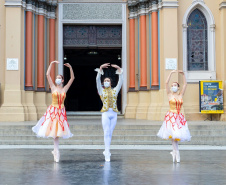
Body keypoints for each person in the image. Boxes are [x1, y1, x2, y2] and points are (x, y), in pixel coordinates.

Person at [32, 61, 74, 162]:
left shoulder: (64, 89)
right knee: (54, 133)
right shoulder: (53, 87)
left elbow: (72, 79)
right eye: (57, 78)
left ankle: (56, 151)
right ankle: (56, 151)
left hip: (61, 112)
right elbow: (47, 75)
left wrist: (70, 68)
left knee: (58, 133)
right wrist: (51, 63)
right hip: (53, 111)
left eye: (59, 78)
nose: (57, 79)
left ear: (63, 80)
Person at [157, 70, 191, 163]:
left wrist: (183, 75)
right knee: (173, 135)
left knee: (176, 136)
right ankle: (176, 152)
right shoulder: (169, 95)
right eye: (172, 86)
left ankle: (175, 152)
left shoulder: (180, 95)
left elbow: (185, 85)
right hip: (171, 117)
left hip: (179, 117)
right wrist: (171, 73)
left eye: (175, 85)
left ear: (178, 87)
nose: (173, 87)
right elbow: (166, 83)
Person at [95, 63, 123, 162]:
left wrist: (119, 70)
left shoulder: (115, 90)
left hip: (114, 113)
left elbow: (120, 82)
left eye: (108, 81)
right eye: (105, 80)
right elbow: (97, 81)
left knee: (110, 133)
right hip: (106, 113)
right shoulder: (101, 91)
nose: (106, 82)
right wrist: (100, 69)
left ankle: (107, 150)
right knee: (106, 132)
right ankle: (107, 152)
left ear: (111, 83)